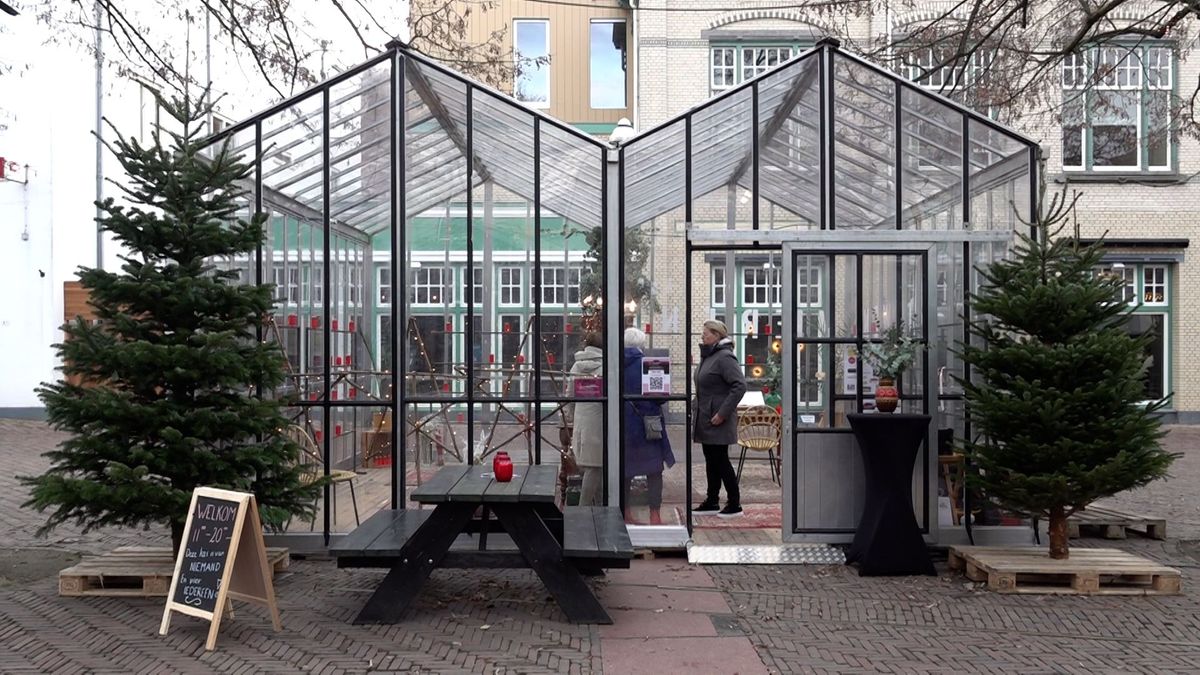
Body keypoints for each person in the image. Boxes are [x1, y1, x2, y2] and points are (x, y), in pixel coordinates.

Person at [693, 319, 747, 518]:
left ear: (716, 335)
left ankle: (734, 503)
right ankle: (712, 500)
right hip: (707, 418)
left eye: (706, 332)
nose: (702, 336)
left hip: (718, 419)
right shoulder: (709, 356)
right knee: (711, 459)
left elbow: (739, 385)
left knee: (721, 460)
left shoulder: (724, 357)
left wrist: (722, 413)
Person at [622, 327, 676, 525]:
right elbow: (660, 399)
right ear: (641, 345)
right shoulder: (651, 365)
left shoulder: (615, 365)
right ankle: (655, 515)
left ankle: (626, 512)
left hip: (624, 425)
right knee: (654, 470)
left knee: (625, 469)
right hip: (648, 426)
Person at [566, 331, 605, 506]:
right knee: (595, 467)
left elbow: (570, 396)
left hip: (582, 423)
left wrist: (571, 416)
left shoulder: (576, 366)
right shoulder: (605, 367)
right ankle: (584, 508)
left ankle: (601, 506)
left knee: (593, 467)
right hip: (598, 423)